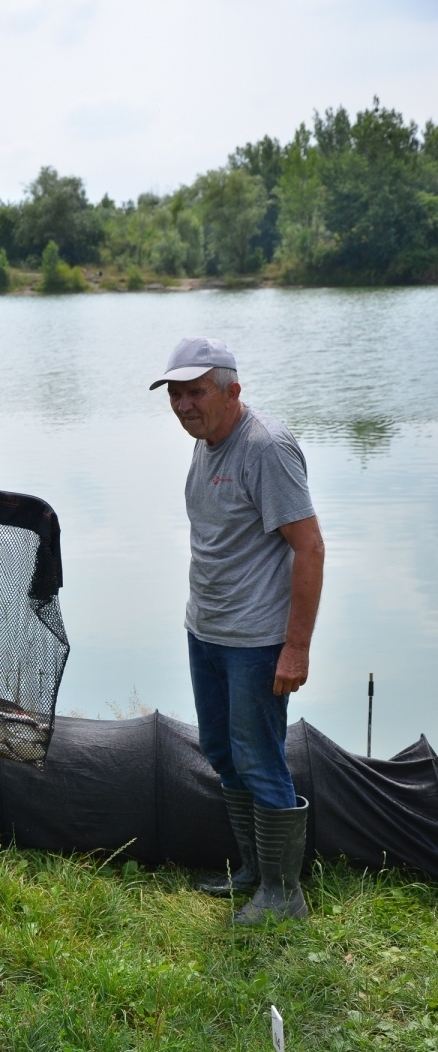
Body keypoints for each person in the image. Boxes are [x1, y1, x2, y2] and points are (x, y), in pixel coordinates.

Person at [150, 336, 324, 925]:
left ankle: (284, 895)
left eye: (195, 392)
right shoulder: (206, 442)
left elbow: (310, 548)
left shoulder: (266, 448)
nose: (183, 405)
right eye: (175, 393)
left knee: (260, 757)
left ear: (232, 391)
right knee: (223, 752)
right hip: (207, 631)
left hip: (256, 642)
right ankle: (255, 870)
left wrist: (295, 647)